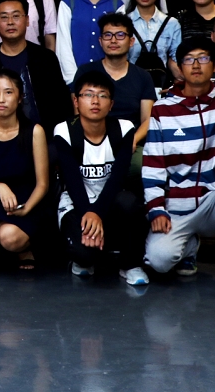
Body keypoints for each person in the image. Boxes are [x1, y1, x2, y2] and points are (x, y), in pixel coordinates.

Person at [143, 37, 215, 292]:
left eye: (203, 58)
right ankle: (188, 247)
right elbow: (153, 166)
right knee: (159, 261)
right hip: (176, 209)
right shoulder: (162, 109)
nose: (196, 65)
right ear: (180, 68)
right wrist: (156, 209)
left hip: (212, 203)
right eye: (189, 60)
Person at [57, 73, 148, 284]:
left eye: (102, 95)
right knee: (84, 256)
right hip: (77, 202)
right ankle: (86, 256)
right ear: (76, 101)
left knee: (129, 202)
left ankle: (130, 265)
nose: (95, 101)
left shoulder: (124, 129)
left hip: (110, 200)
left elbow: (117, 178)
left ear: (111, 104)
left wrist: (96, 212)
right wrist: (89, 213)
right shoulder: (64, 131)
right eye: (88, 94)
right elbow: (72, 182)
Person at [0, 70, 50, 277]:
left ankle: (24, 249)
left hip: (27, 200)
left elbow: (42, 184)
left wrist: (27, 208)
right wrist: (0, 187)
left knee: (8, 237)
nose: (1, 99)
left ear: (20, 97)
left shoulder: (34, 131)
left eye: (8, 92)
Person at [0, 0, 72, 130]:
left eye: (16, 16)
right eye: (4, 17)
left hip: (43, 134)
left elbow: (61, 105)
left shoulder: (46, 59)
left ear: (27, 20)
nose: (10, 22)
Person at [71, 11, 156, 129]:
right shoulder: (85, 72)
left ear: (131, 41)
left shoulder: (143, 76)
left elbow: (147, 121)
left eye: (120, 35)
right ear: (100, 41)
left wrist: (131, 139)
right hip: (93, 137)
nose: (113, 40)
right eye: (108, 35)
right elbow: (78, 115)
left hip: (133, 137)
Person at [57, 0, 123, 83]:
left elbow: (119, 46)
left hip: (108, 81)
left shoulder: (117, 5)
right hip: (75, 81)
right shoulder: (68, 3)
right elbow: (63, 46)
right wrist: (73, 80)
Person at [122, 0, 182, 91]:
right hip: (130, 85)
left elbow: (177, 59)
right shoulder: (123, 22)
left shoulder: (171, 24)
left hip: (161, 86)